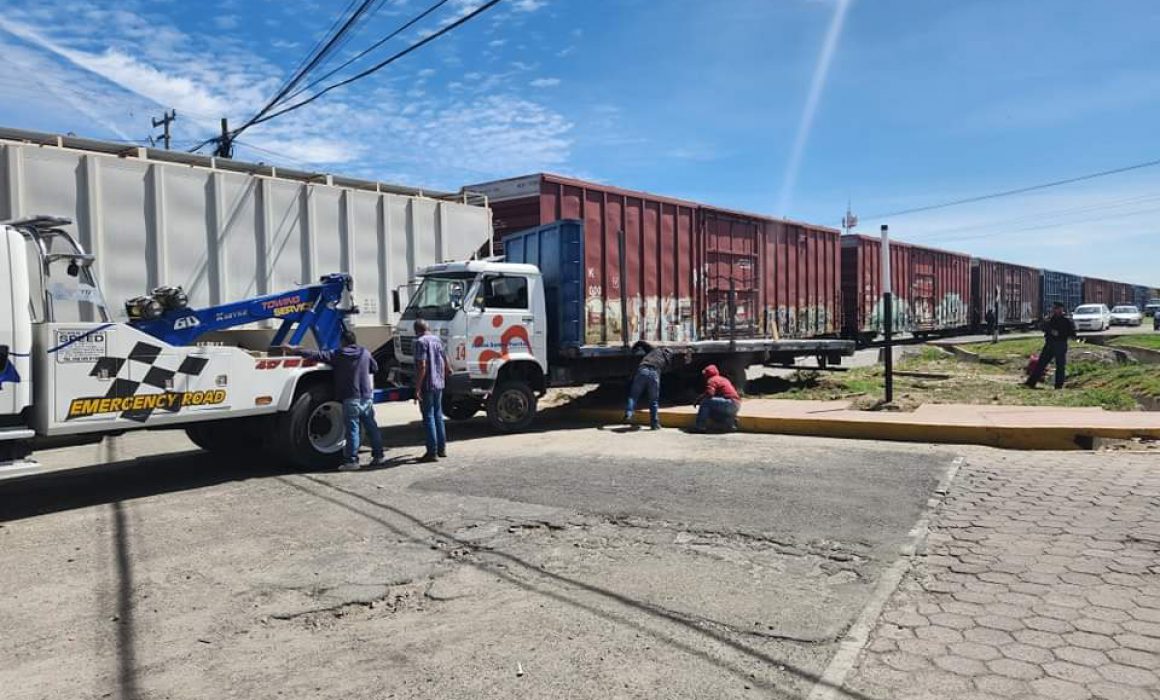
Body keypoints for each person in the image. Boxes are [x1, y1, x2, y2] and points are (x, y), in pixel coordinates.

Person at [285, 329, 385, 471]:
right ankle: (379, 456)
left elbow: (317, 355)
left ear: (343, 341)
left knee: (352, 431)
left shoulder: (339, 354)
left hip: (351, 398)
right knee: (372, 427)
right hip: (366, 398)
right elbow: (374, 368)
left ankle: (352, 461)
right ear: (354, 340)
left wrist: (296, 350)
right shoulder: (365, 353)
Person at [624, 340, 691, 430]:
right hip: (655, 374)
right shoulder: (667, 362)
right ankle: (654, 424)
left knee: (634, 396)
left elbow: (640, 342)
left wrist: (633, 350)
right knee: (654, 401)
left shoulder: (655, 350)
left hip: (643, 370)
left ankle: (629, 413)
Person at [414, 318, 451, 461]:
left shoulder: (420, 342)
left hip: (427, 383)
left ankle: (432, 452)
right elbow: (445, 358)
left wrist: (417, 388)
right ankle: (442, 449)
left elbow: (422, 366)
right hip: (439, 383)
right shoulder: (437, 340)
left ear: (417, 330)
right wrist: (447, 370)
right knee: (438, 415)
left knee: (428, 417)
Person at [1025, 301, 1077, 390]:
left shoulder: (1066, 320)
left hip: (1060, 344)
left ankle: (1058, 386)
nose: (1054, 310)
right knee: (1041, 363)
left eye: (1056, 308)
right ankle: (1031, 383)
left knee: (1060, 366)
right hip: (1049, 344)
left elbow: (1072, 333)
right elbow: (1043, 327)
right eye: (1053, 308)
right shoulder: (1051, 318)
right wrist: (1046, 327)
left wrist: (1060, 333)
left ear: (1061, 309)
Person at [693, 364, 742, 432]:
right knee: (711, 410)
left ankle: (700, 426)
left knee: (705, 402)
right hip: (736, 405)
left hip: (729, 403)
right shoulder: (723, 379)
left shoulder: (712, 380)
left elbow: (709, 394)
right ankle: (730, 423)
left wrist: (699, 399)